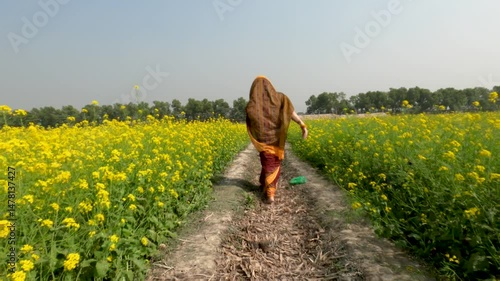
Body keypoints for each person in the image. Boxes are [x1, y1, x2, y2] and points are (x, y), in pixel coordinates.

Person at [245, 76, 308, 204]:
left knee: (268, 164)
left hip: (263, 142)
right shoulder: (280, 98)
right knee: (271, 165)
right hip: (276, 140)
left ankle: (269, 191)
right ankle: (270, 192)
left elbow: (252, 123)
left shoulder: (252, 105)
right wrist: (302, 125)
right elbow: (290, 112)